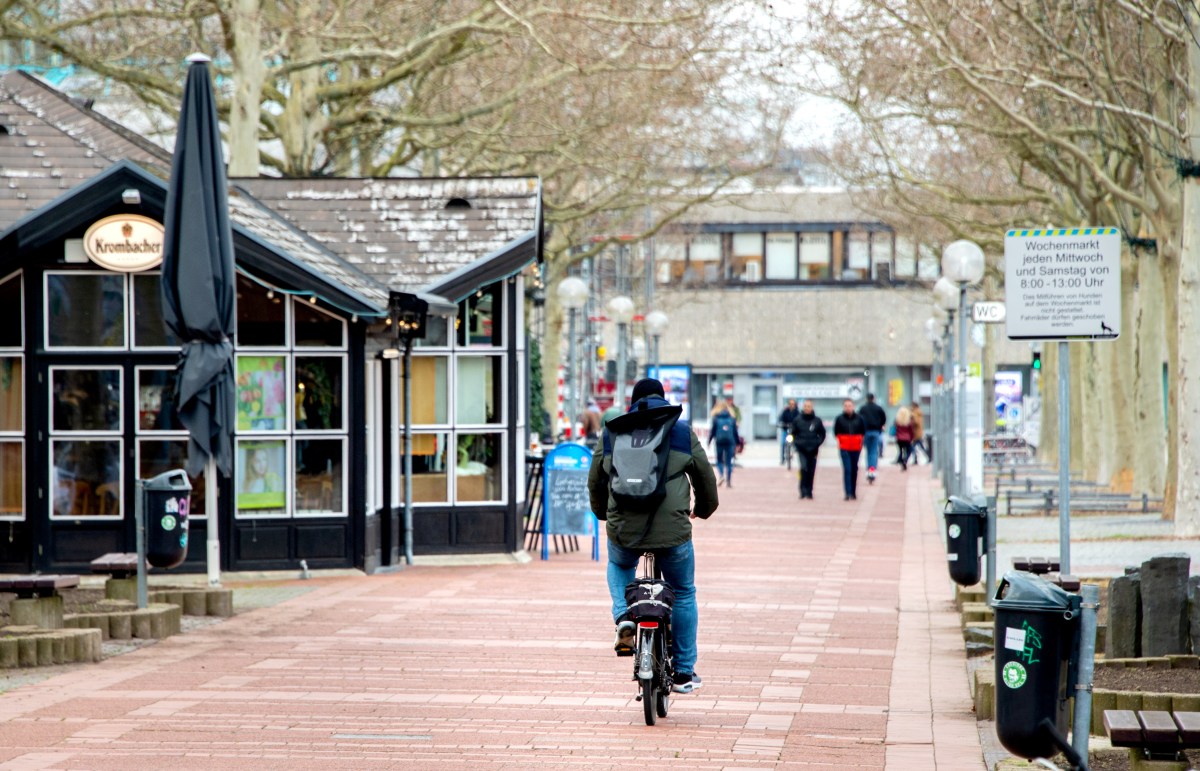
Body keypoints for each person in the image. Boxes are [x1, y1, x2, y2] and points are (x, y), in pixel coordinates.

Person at [588, 377, 719, 695]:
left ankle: (623, 616)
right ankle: (685, 672)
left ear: (633, 401)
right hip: (672, 530)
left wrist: (604, 514)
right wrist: (703, 509)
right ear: (662, 398)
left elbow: (596, 481)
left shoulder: (613, 430)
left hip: (624, 528)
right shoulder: (680, 431)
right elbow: (705, 477)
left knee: (620, 564)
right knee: (684, 591)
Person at [790, 399, 826, 499]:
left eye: (809, 406)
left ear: (812, 407)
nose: (807, 408)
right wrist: (795, 443)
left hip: (813, 449)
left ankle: (809, 491)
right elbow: (792, 434)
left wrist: (818, 443)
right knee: (803, 468)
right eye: (805, 406)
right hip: (801, 449)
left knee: (811, 470)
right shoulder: (797, 420)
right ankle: (802, 490)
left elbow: (822, 434)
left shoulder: (817, 421)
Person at [833, 399, 866, 500]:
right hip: (844, 447)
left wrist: (859, 440)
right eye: (846, 406)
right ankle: (847, 492)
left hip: (856, 447)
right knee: (847, 469)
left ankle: (853, 492)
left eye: (850, 405)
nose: (848, 408)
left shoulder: (859, 418)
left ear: (853, 406)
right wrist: (841, 440)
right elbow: (836, 432)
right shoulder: (839, 419)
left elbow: (863, 431)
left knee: (854, 469)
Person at [708, 401, 740, 487]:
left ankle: (721, 475)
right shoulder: (732, 418)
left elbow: (712, 431)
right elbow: (735, 432)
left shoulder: (716, 418)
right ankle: (729, 482)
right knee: (728, 462)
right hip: (730, 441)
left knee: (719, 460)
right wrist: (738, 443)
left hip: (719, 441)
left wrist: (709, 441)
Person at [859, 393, 887, 484]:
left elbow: (859, 419)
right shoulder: (878, 408)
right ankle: (872, 470)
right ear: (873, 398)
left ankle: (869, 470)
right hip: (875, 431)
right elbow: (884, 418)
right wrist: (880, 426)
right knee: (874, 451)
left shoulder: (863, 408)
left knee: (868, 451)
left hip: (866, 432)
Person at [777, 398, 800, 465]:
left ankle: (797, 452)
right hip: (785, 430)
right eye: (790, 404)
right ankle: (782, 459)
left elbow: (800, 420)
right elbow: (780, 419)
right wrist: (781, 424)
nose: (791, 405)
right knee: (783, 443)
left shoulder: (797, 412)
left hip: (794, 431)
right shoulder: (785, 411)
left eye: (793, 404)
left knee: (797, 443)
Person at [894, 406, 914, 471]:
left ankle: (902, 461)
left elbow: (896, 429)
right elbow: (911, 431)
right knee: (910, 450)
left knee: (901, 451)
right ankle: (905, 460)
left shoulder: (897, 421)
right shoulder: (908, 421)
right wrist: (911, 438)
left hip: (899, 439)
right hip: (907, 438)